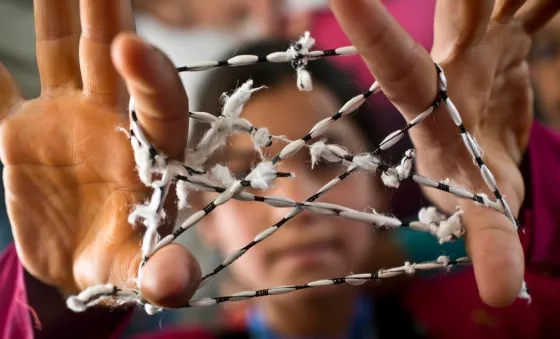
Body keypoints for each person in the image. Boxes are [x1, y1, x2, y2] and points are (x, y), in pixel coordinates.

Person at [1, 0, 559, 338]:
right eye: (246, 177)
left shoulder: (500, 320)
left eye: (327, 160)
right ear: (204, 220)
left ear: (383, 187)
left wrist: (530, 184)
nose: (298, 206)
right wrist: (49, 301)